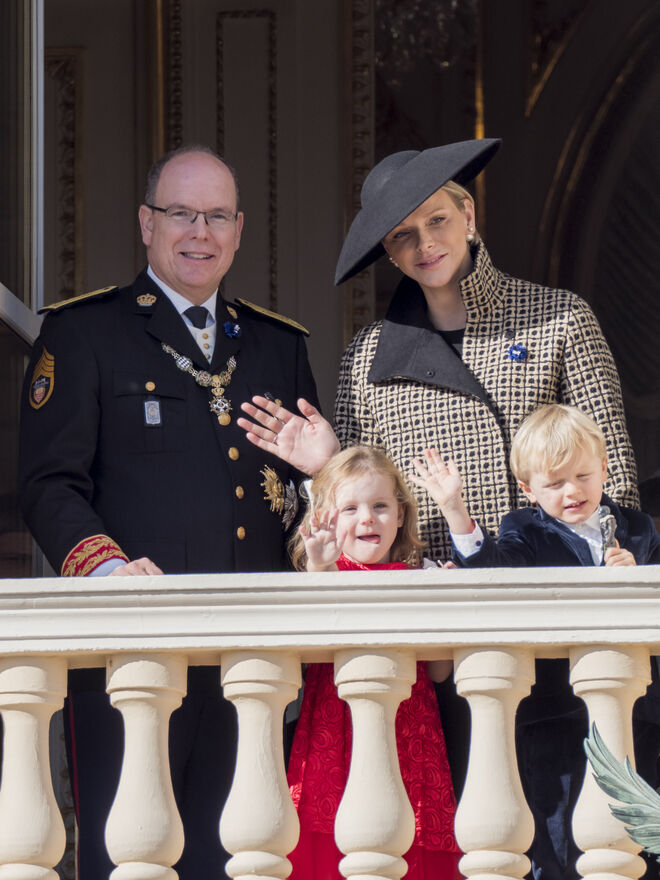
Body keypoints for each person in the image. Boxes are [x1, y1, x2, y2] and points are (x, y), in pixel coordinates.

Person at [237, 136, 640, 802]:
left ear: (469, 216)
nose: (425, 244)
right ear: (389, 252)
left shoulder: (560, 319)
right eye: (403, 235)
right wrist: (327, 466)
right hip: (427, 642)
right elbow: (357, 524)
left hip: (549, 625)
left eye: (437, 220)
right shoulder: (368, 356)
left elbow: (615, 483)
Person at [19, 145, 319, 879]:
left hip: (252, 659)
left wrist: (326, 473)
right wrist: (108, 571)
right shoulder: (85, 333)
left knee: (242, 860)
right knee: (129, 859)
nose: (200, 232)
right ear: (147, 223)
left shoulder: (277, 345)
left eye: (217, 216)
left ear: (239, 230)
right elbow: (50, 485)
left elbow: (303, 501)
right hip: (131, 652)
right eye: (182, 213)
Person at [411, 404, 660, 880]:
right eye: (555, 483)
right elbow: (495, 571)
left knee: (636, 831)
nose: (573, 491)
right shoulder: (523, 529)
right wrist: (454, 509)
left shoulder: (638, 528)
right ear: (528, 490)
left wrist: (640, 577)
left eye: (583, 476)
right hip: (553, 709)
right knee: (558, 832)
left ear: (605, 468)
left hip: (636, 707)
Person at [286, 446, 462, 880]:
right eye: (351, 508)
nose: (367, 518)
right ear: (326, 518)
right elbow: (314, 630)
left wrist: (442, 610)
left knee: (405, 838)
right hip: (336, 732)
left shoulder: (417, 578)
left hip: (410, 734)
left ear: (400, 515)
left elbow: (439, 671)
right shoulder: (327, 574)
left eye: (380, 506)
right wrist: (320, 566)